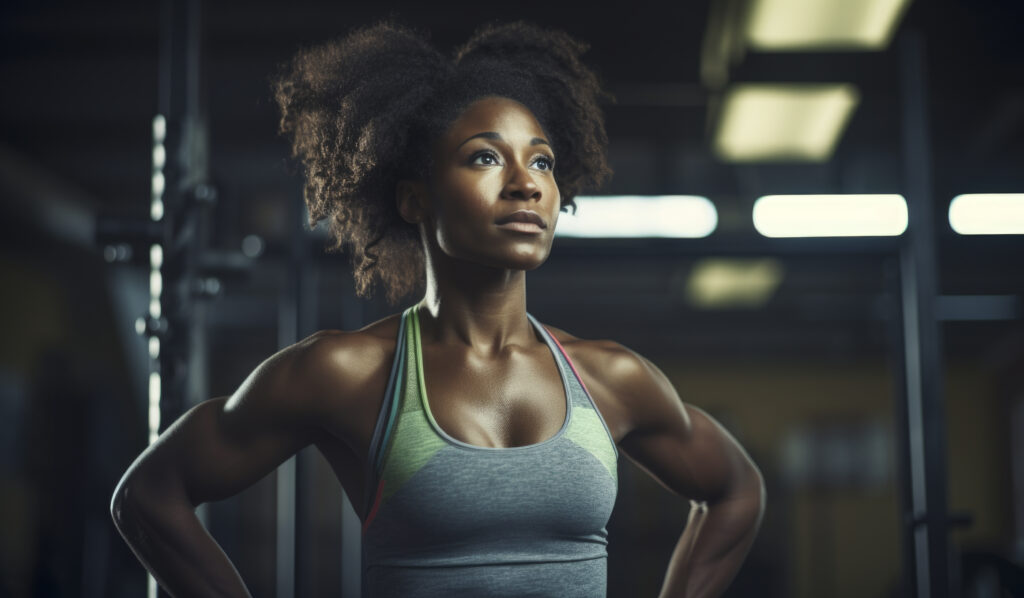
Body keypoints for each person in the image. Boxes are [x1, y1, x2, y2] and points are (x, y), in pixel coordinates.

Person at [110, 19, 766, 598]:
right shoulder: (348, 374)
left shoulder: (610, 379)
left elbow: (736, 491)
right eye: (485, 157)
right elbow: (148, 497)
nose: (526, 182)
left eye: (542, 161)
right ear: (414, 199)